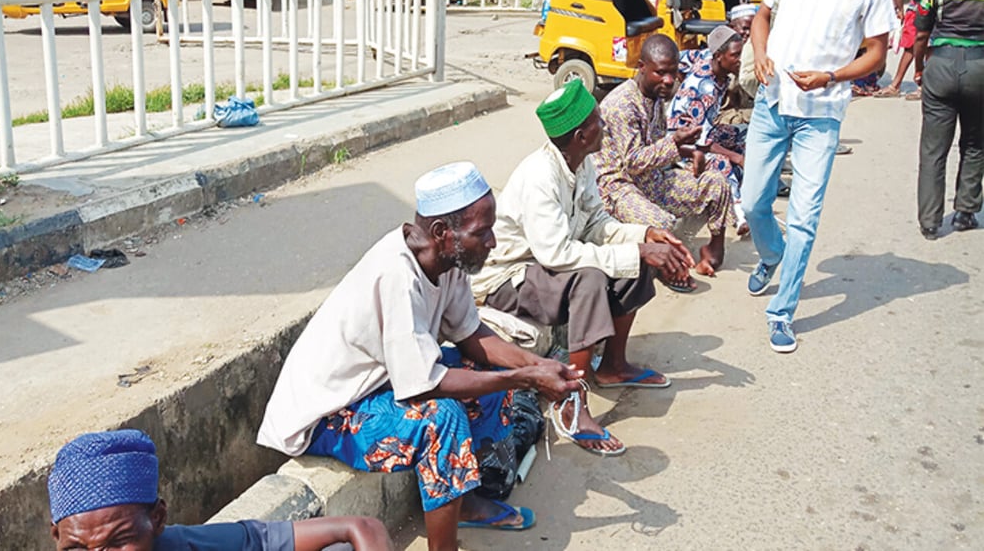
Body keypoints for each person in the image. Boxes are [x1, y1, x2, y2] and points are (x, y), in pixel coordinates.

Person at [257, 162, 583, 551]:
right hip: (329, 413)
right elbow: (426, 386)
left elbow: (471, 335)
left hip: (382, 384)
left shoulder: (450, 259)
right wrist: (523, 379)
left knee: (489, 374)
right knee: (441, 420)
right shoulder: (397, 276)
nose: (493, 242)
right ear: (443, 233)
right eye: (482, 232)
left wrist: (535, 365)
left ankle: (464, 502)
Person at [470, 78, 696, 458]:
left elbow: (596, 225)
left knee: (636, 259)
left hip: (545, 268)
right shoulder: (540, 177)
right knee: (591, 278)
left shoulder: (581, 162)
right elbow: (556, 255)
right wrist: (636, 251)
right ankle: (570, 404)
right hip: (508, 278)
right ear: (580, 134)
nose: (604, 126)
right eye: (598, 121)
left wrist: (645, 235)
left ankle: (612, 366)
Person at [741, 0, 897, 353]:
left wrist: (831, 77)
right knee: (752, 202)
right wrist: (761, 54)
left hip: (821, 112)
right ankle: (771, 255)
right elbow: (761, 16)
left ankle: (781, 311)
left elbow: (877, 53)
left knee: (803, 217)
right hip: (772, 101)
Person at [47, 429, 392, 551]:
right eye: (76, 548)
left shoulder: (184, 545)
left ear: (157, 519)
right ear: (56, 537)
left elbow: (361, 529)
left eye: (117, 541)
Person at [595, 34, 735, 279]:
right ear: (642, 68)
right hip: (619, 186)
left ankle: (713, 250)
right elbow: (634, 162)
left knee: (717, 183)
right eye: (660, 73)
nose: (669, 80)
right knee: (663, 223)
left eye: (673, 72)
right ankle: (672, 269)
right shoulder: (622, 105)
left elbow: (657, 147)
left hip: (652, 177)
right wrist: (675, 143)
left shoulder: (655, 95)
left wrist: (690, 152)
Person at [913, 0, 984, 239]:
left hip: (941, 63)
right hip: (980, 67)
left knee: (933, 149)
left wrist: (919, 67)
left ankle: (930, 222)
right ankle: (965, 211)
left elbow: (921, 33)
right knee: (975, 144)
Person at [668, 25, 750, 235]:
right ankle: (739, 215)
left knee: (745, 133)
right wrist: (735, 157)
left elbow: (682, 58)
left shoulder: (707, 57)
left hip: (706, 128)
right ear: (719, 56)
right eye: (735, 55)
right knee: (725, 161)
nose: (740, 59)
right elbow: (701, 142)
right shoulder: (705, 89)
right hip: (685, 143)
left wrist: (681, 79)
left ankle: (747, 185)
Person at [874, 0, 923, 98]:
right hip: (928, 7)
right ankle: (921, 85)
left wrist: (899, 8)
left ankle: (920, 85)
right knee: (919, 46)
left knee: (917, 45)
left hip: (921, 8)